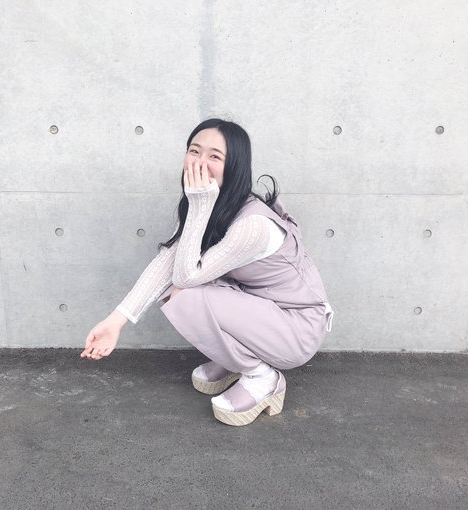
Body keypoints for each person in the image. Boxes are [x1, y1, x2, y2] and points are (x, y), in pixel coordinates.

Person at [81, 118, 334, 426]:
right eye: (194, 151)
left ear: (235, 166)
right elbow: (168, 262)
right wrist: (115, 322)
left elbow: (184, 278)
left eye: (215, 156)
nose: (200, 162)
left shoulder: (252, 225)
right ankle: (236, 358)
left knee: (184, 295)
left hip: (295, 330)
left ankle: (262, 378)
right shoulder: (209, 204)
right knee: (179, 283)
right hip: (262, 311)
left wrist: (200, 203)